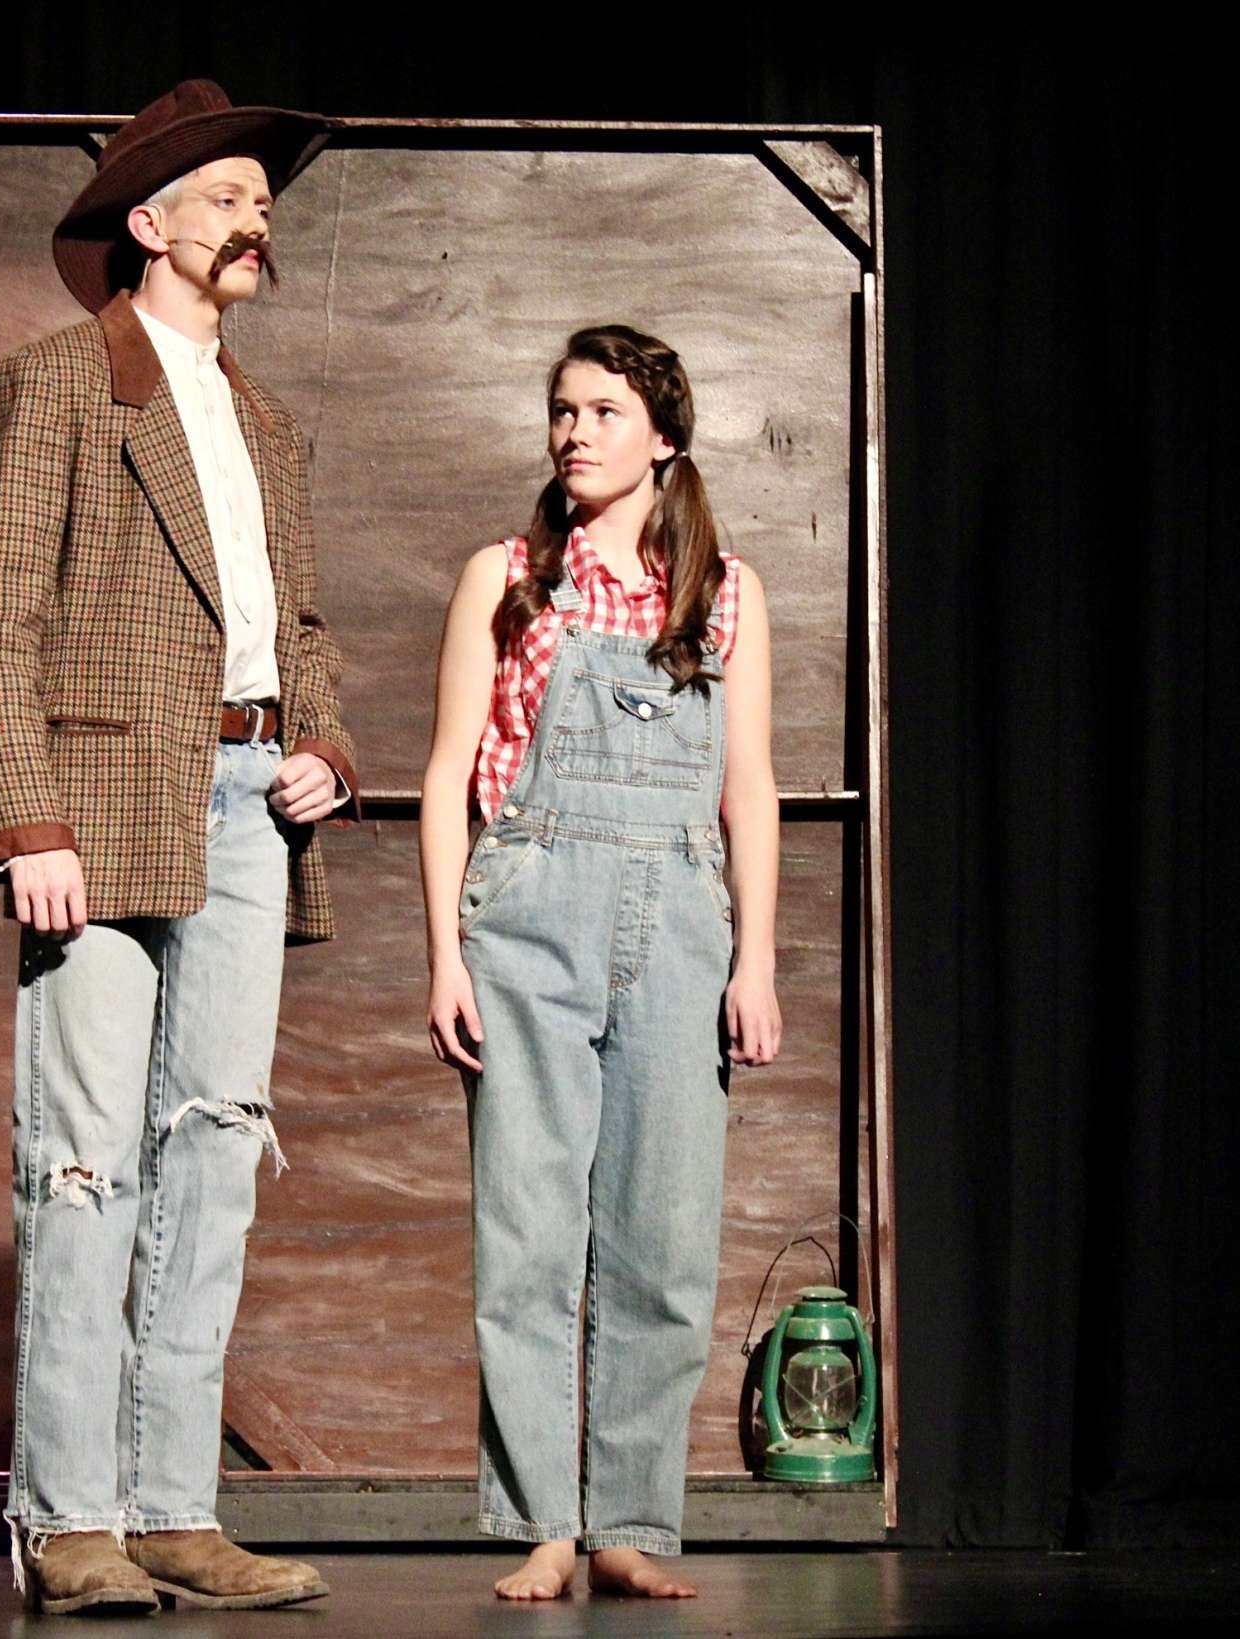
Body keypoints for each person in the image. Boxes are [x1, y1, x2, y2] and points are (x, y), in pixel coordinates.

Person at [0, 80, 361, 1616]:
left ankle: (177, 1503)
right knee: (84, 1161)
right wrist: (25, 818)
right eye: (236, 196)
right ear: (152, 222)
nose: (260, 221)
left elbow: (294, 624)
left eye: (262, 199)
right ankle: (71, 1518)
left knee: (218, 1148)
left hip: (251, 797)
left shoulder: (264, 417)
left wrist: (321, 742)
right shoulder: (59, 382)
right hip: (104, 806)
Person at [418, 324, 783, 1601]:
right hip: (526, 906)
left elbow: (748, 789)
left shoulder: (722, 592)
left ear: (663, 437)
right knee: (525, 1229)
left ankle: (629, 1520)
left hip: (682, 918)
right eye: (562, 409)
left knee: (662, 1235)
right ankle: (541, 1524)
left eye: (603, 410)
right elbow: (446, 774)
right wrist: (443, 952)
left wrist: (757, 961)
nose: (573, 431)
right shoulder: (507, 576)